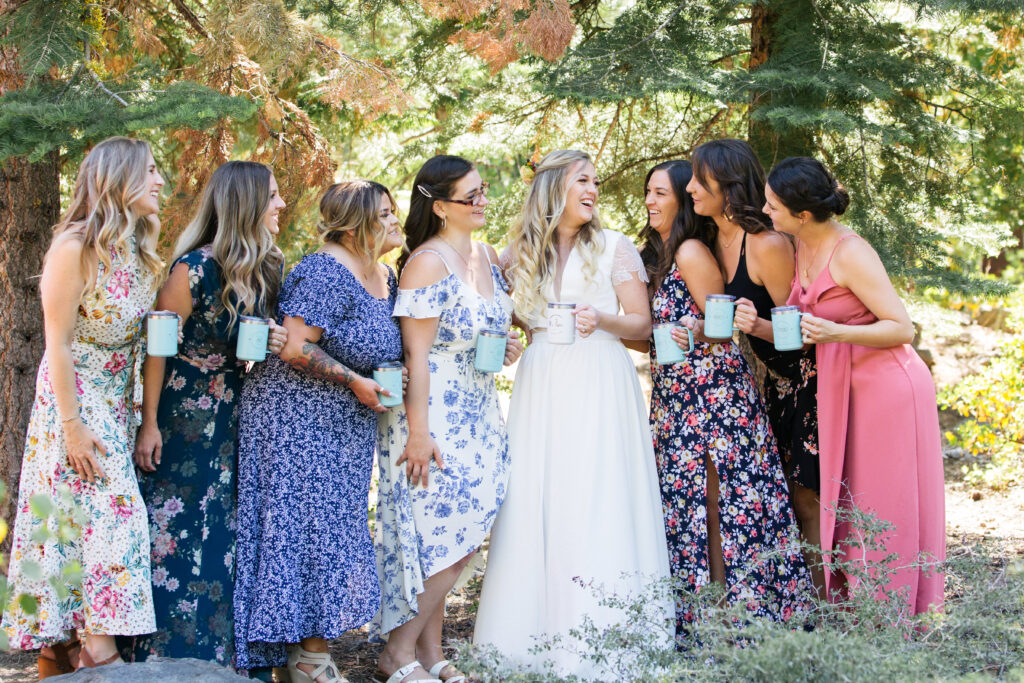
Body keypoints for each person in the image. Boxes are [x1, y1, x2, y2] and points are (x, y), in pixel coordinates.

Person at [474, 150, 673, 679]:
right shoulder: (517, 252)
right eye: (581, 180)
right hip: (541, 383)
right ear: (553, 187)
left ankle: (607, 636)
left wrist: (600, 318)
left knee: (596, 492)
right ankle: (527, 640)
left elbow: (643, 326)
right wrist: (519, 340)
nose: (593, 190)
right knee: (540, 495)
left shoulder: (615, 247)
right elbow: (510, 315)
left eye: (595, 182)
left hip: (601, 380)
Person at [1, 136, 163, 674]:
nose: (161, 181)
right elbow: (58, 343)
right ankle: (99, 647)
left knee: (85, 523)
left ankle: (70, 650)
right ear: (120, 180)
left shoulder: (139, 247)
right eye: (151, 172)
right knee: (116, 516)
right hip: (72, 399)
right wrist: (71, 427)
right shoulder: (73, 248)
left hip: (118, 402)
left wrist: (145, 417)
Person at [233, 180, 405, 682]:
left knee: (334, 531)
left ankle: (305, 653)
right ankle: (307, 657)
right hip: (295, 419)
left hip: (346, 422)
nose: (395, 220)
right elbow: (295, 347)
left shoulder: (385, 275)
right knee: (306, 532)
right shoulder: (325, 270)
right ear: (354, 226)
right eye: (385, 213)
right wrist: (356, 381)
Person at [765, 156, 945, 613]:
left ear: (801, 214)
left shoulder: (851, 253)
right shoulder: (802, 245)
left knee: (883, 501)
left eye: (773, 206)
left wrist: (837, 333)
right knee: (848, 502)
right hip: (843, 390)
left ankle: (894, 615)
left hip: (887, 389)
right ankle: (851, 613)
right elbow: (806, 331)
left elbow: (901, 328)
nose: (766, 212)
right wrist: (756, 326)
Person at [639, 160, 812, 635]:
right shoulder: (698, 244)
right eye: (648, 192)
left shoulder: (699, 249)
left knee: (725, 501)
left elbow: (725, 332)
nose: (652, 201)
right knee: (692, 505)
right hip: (676, 397)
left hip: (715, 395)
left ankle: (745, 625)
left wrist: (703, 329)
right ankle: (706, 622)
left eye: (662, 192)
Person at [129, 161, 288, 666]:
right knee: (172, 531)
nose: (281, 205)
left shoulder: (266, 267)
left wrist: (273, 340)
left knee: (223, 528)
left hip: (236, 413)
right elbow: (158, 349)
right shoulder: (191, 269)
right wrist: (148, 423)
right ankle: (163, 656)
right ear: (246, 204)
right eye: (274, 196)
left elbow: (253, 346)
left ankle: (218, 656)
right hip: (182, 412)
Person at [373, 155, 521, 683]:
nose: (482, 202)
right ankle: (398, 649)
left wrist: (505, 348)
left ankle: (430, 657)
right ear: (439, 207)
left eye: (483, 192)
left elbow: (485, 330)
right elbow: (417, 355)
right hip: (431, 413)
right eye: (470, 196)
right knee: (446, 538)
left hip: (481, 409)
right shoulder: (425, 262)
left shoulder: (484, 256)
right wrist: (417, 432)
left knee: (452, 536)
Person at [687, 139, 824, 593]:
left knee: (808, 502)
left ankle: (828, 616)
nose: (690, 187)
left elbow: (803, 332)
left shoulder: (765, 244)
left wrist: (759, 327)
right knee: (785, 498)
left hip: (810, 382)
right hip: (773, 385)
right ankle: (795, 605)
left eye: (699, 178)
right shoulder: (710, 241)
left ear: (726, 185)